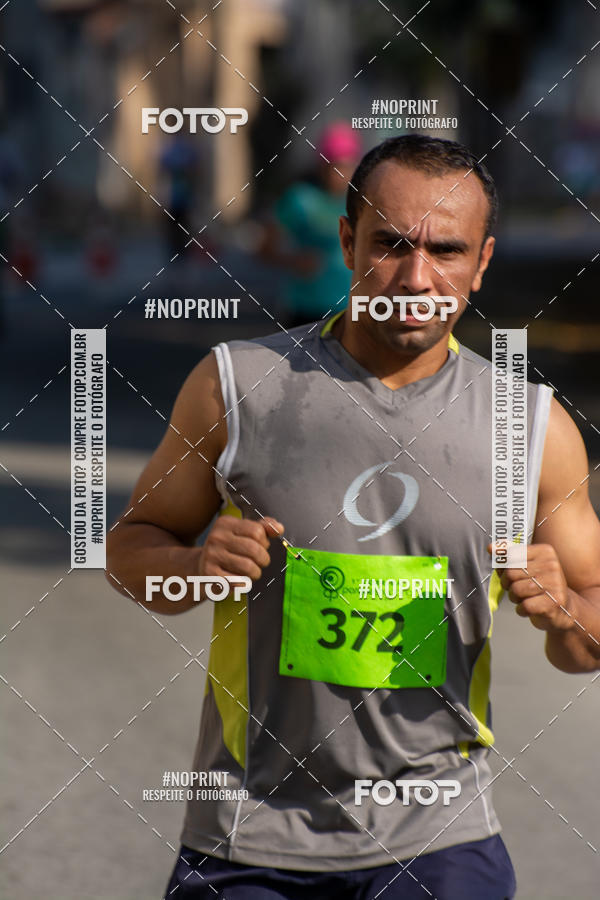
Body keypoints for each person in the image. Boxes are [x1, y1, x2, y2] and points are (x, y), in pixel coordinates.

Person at [106, 134, 600, 900]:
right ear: (346, 241)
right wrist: (191, 567)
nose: (415, 277)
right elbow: (130, 552)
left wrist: (566, 611)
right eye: (390, 245)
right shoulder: (238, 386)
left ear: (483, 260)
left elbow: (589, 638)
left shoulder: (532, 429)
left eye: (446, 250)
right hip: (248, 832)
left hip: (439, 831)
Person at [259, 121, 361, 326]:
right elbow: (264, 249)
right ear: (321, 166)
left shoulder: (362, 202)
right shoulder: (300, 199)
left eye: (345, 166)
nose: (338, 174)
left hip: (349, 309)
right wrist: (294, 260)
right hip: (305, 308)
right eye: (333, 166)